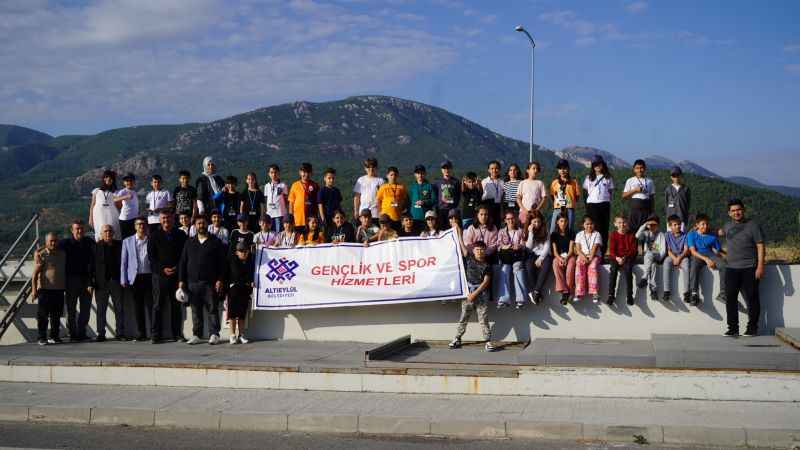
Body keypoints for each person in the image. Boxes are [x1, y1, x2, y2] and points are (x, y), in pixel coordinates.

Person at [719, 199, 765, 337]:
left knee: (752, 298)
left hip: (750, 267)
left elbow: (760, 245)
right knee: (730, 298)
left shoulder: (753, 226)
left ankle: (752, 328)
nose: (736, 213)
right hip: (731, 268)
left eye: (738, 210)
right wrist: (697, 228)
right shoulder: (727, 226)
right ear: (729, 213)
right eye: (733, 211)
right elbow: (719, 232)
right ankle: (733, 328)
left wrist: (760, 266)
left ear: (743, 210)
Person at [179, 215, 227, 345]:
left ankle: (214, 334)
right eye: (199, 223)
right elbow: (183, 262)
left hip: (209, 283)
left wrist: (220, 279)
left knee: (212, 309)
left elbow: (222, 264)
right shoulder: (189, 242)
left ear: (207, 224)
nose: (201, 226)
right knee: (195, 310)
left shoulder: (215, 242)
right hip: (192, 283)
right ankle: (196, 335)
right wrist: (181, 280)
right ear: (195, 226)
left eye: (203, 223)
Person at [148, 211, 188, 343]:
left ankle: (177, 334)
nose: (166, 220)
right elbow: (151, 258)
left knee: (176, 306)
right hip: (159, 276)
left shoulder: (181, 234)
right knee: (157, 305)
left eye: (168, 218)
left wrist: (177, 268)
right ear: (160, 220)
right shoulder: (154, 236)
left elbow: (184, 255)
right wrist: (162, 269)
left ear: (173, 219)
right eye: (164, 218)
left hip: (176, 276)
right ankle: (155, 335)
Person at [448, 241, 495, 352]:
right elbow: (462, 246)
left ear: (485, 251)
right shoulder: (469, 259)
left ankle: (488, 341)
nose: (479, 252)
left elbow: (486, 282)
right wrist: (458, 231)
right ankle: (457, 338)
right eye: (477, 249)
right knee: (464, 317)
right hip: (468, 293)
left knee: (483, 318)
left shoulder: (488, 265)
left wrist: (475, 293)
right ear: (473, 251)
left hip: (481, 294)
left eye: (482, 249)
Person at [60, 220, 95, 341]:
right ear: (72, 230)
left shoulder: (89, 242)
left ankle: (82, 332)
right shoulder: (65, 243)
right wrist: (37, 253)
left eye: (81, 228)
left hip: (86, 280)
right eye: (77, 229)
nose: (79, 231)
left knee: (85, 309)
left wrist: (91, 281)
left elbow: (94, 261)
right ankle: (72, 333)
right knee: (71, 309)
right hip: (71, 280)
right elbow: (51, 246)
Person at [120, 217, 152, 341]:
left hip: (149, 276)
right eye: (139, 224)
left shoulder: (151, 240)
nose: (141, 227)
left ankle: (153, 333)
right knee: (137, 307)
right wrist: (123, 279)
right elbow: (124, 261)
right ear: (135, 226)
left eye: (143, 224)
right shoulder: (127, 241)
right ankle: (141, 333)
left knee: (151, 306)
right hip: (135, 278)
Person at [31, 232, 66, 345]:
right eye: (50, 241)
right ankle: (42, 338)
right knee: (43, 316)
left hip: (59, 290)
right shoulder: (41, 255)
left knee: (56, 316)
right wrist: (34, 290)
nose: (53, 243)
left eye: (55, 240)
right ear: (46, 243)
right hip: (45, 290)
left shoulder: (62, 254)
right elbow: (35, 275)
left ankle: (54, 337)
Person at [688, 214, 726, 306]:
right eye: (703, 224)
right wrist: (706, 260)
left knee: (724, 266)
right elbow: (692, 251)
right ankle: (694, 293)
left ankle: (723, 293)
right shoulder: (691, 234)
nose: (705, 226)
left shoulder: (712, 236)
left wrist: (726, 256)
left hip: (710, 254)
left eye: (707, 224)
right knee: (694, 266)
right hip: (697, 255)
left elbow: (718, 250)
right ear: (697, 225)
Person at [93, 225, 123, 342]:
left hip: (116, 281)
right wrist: (91, 282)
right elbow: (91, 266)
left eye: (110, 231)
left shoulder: (120, 245)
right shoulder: (95, 247)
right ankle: (101, 333)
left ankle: (120, 333)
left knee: (119, 309)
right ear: (101, 233)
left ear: (113, 232)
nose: (108, 233)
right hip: (101, 283)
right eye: (105, 231)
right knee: (101, 309)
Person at [496, 210, 529, 309]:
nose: (510, 221)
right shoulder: (501, 231)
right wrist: (505, 246)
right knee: (504, 271)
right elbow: (498, 244)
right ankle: (503, 299)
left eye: (512, 218)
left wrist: (518, 246)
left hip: (516, 256)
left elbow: (524, 245)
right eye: (508, 219)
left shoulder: (520, 231)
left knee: (518, 270)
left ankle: (521, 299)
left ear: (515, 219)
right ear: (505, 220)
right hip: (506, 257)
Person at [582, 155, 614, 251]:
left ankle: (602, 252)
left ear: (603, 164)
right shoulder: (588, 178)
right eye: (595, 164)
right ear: (592, 166)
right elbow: (585, 191)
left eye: (599, 164)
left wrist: (607, 200)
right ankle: (592, 251)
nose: (597, 166)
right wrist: (587, 205)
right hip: (592, 205)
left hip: (604, 204)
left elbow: (610, 191)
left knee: (604, 228)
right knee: (593, 228)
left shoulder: (608, 177)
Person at [225, 242, 254, 344]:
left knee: (242, 314)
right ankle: (232, 335)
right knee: (232, 314)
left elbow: (250, 276)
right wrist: (246, 281)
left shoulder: (249, 262)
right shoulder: (233, 260)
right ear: (236, 252)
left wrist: (249, 281)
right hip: (234, 289)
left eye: (245, 251)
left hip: (244, 290)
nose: (244, 253)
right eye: (241, 251)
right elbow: (237, 275)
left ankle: (241, 335)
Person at [607, 215, 637, 306]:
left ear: (627, 223)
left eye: (624, 222)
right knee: (613, 270)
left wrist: (624, 258)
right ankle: (611, 294)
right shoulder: (613, 235)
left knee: (628, 270)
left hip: (627, 257)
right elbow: (611, 250)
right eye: (619, 222)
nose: (622, 224)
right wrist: (617, 258)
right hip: (615, 257)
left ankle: (629, 295)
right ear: (615, 224)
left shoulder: (631, 235)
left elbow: (633, 250)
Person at [636, 215, 667, 300]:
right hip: (648, 258)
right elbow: (637, 236)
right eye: (651, 225)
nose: (652, 227)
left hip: (658, 256)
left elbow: (663, 250)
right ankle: (653, 290)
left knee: (650, 254)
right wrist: (645, 225)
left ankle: (644, 277)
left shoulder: (661, 235)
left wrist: (659, 257)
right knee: (652, 265)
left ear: (658, 225)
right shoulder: (646, 233)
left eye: (654, 225)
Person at [525, 210, 551, 305]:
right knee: (529, 267)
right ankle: (537, 293)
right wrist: (531, 233)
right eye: (534, 222)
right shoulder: (528, 231)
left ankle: (535, 292)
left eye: (538, 221)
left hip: (543, 255)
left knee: (546, 266)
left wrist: (541, 258)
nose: (537, 224)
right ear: (530, 222)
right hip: (532, 254)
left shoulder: (546, 231)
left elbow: (547, 247)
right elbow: (528, 248)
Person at [574, 216, 603, 303]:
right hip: (582, 256)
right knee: (579, 266)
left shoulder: (597, 234)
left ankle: (594, 292)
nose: (589, 226)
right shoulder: (579, 234)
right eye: (587, 224)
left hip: (594, 256)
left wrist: (590, 259)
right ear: (582, 225)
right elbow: (578, 249)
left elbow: (595, 247)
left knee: (592, 267)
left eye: (591, 224)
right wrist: (583, 257)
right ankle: (579, 292)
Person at [622, 159, 655, 233]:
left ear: (645, 169)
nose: (639, 170)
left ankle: (644, 245)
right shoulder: (630, 180)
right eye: (637, 168)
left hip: (646, 210)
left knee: (645, 231)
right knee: (633, 230)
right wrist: (635, 190)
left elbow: (652, 197)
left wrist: (653, 211)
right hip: (634, 210)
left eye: (641, 168)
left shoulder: (650, 181)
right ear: (634, 169)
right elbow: (624, 195)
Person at [664, 214, 690, 303]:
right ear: (670, 226)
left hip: (682, 256)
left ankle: (686, 292)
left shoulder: (685, 235)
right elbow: (668, 250)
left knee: (686, 265)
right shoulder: (667, 235)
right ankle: (666, 291)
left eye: (679, 224)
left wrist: (679, 258)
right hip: (671, 256)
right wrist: (674, 258)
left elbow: (686, 250)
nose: (678, 226)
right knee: (666, 263)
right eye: (675, 225)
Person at [550, 214, 576, 305]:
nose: (563, 223)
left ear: (567, 222)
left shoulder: (571, 233)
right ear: (557, 222)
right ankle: (564, 290)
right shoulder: (554, 235)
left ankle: (568, 290)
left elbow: (571, 249)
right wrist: (560, 258)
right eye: (561, 221)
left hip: (569, 256)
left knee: (571, 266)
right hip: (559, 256)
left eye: (565, 221)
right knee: (555, 263)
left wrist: (566, 258)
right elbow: (555, 251)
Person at [549, 159, 581, 233]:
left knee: (569, 229)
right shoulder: (554, 182)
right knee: (553, 229)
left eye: (564, 168)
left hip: (569, 208)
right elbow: (552, 195)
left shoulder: (574, 182)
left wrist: (570, 202)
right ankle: (552, 244)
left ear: (568, 169)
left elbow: (577, 196)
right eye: (560, 168)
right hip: (558, 208)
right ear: (558, 170)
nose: (562, 170)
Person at [287, 162, 319, 235]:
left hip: (311, 221)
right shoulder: (295, 185)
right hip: (298, 220)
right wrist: (291, 218)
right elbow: (291, 203)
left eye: (308, 172)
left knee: (311, 240)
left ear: (311, 173)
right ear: (300, 172)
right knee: (298, 241)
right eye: (304, 172)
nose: (306, 174)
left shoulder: (315, 185)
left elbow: (318, 203)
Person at [89, 170, 121, 241]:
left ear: (113, 180)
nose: (108, 179)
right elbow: (92, 205)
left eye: (110, 178)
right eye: (106, 177)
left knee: (113, 232)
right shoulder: (96, 191)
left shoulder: (116, 192)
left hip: (112, 215)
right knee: (100, 232)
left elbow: (119, 206)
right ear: (103, 178)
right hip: (98, 215)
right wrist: (90, 218)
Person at [352, 158, 383, 223]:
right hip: (363, 213)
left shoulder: (381, 181)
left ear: (376, 168)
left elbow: (382, 199)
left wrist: (381, 212)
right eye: (368, 167)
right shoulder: (361, 180)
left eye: (373, 167)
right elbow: (357, 197)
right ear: (365, 168)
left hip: (375, 214)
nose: (371, 169)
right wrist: (356, 211)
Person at [517, 162, 547, 228]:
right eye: (533, 168)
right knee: (523, 231)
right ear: (528, 170)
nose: (535, 170)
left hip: (536, 213)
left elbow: (544, 198)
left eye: (537, 169)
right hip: (524, 212)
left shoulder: (540, 183)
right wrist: (524, 210)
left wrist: (537, 209)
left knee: (536, 230)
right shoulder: (522, 183)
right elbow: (518, 198)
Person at [408, 165, 436, 231]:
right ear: (415, 174)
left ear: (425, 174)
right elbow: (408, 202)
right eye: (418, 173)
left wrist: (424, 202)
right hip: (414, 218)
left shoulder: (429, 186)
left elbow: (434, 200)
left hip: (426, 219)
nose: (420, 175)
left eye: (422, 173)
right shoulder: (412, 187)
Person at [433, 160, 460, 230]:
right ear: (441, 170)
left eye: (448, 168)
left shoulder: (456, 181)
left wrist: (454, 206)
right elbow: (435, 195)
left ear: (451, 169)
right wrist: (437, 207)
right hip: (441, 210)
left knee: (452, 229)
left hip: (452, 210)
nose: (446, 170)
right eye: (444, 168)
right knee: (441, 230)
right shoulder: (437, 182)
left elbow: (458, 195)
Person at [264, 164, 288, 232]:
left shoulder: (283, 185)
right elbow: (266, 200)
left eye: (275, 172)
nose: (274, 174)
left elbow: (286, 201)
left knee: (279, 233)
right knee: (270, 234)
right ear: (269, 174)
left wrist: (286, 213)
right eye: (271, 172)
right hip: (269, 214)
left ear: (278, 173)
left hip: (279, 214)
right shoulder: (266, 186)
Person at [665, 166, 690, 230]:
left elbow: (687, 204)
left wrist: (686, 217)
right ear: (671, 177)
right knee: (670, 237)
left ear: (681, 176)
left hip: (682, 218)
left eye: (678, 175)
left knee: (682, 237)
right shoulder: (668, 189)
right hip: (670, 219)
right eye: (674, 175)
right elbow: (666, 202)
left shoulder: (686, 189)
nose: (676, 177)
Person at [481, 160, 504, 226]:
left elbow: (502, 197)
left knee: (497, 226)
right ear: (488, 170)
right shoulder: (484, 182)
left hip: (497, 207)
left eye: (496, 168)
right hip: (487, 206)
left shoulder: (502, 182)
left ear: (499, 170)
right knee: (488, 226)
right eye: (492, 168)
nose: (494, 170)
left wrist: (502, 210)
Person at [116, 173, 139, 239]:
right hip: (125, 220)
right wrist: (125, 196)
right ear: (124, 183)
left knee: (134, 238)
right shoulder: (123, 191)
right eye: (127, 181)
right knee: (125, 239)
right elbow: (115, 199)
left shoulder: (134, 192)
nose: (129, 182)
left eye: (131, 180)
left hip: (134, 219)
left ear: (134, 182)